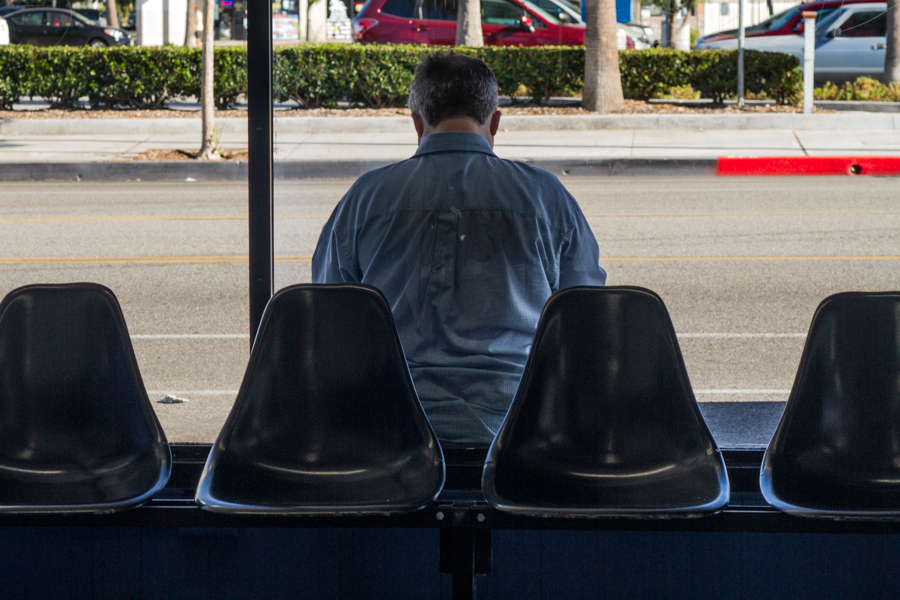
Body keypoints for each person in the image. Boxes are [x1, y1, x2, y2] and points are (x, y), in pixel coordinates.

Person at [312, 51, 606, 445]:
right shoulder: (547, 197)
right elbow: (586, 320)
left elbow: (329, 317)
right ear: (495, 122)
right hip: (519, 430)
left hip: (389, 431)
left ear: (417, 123)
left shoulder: (365, 198)